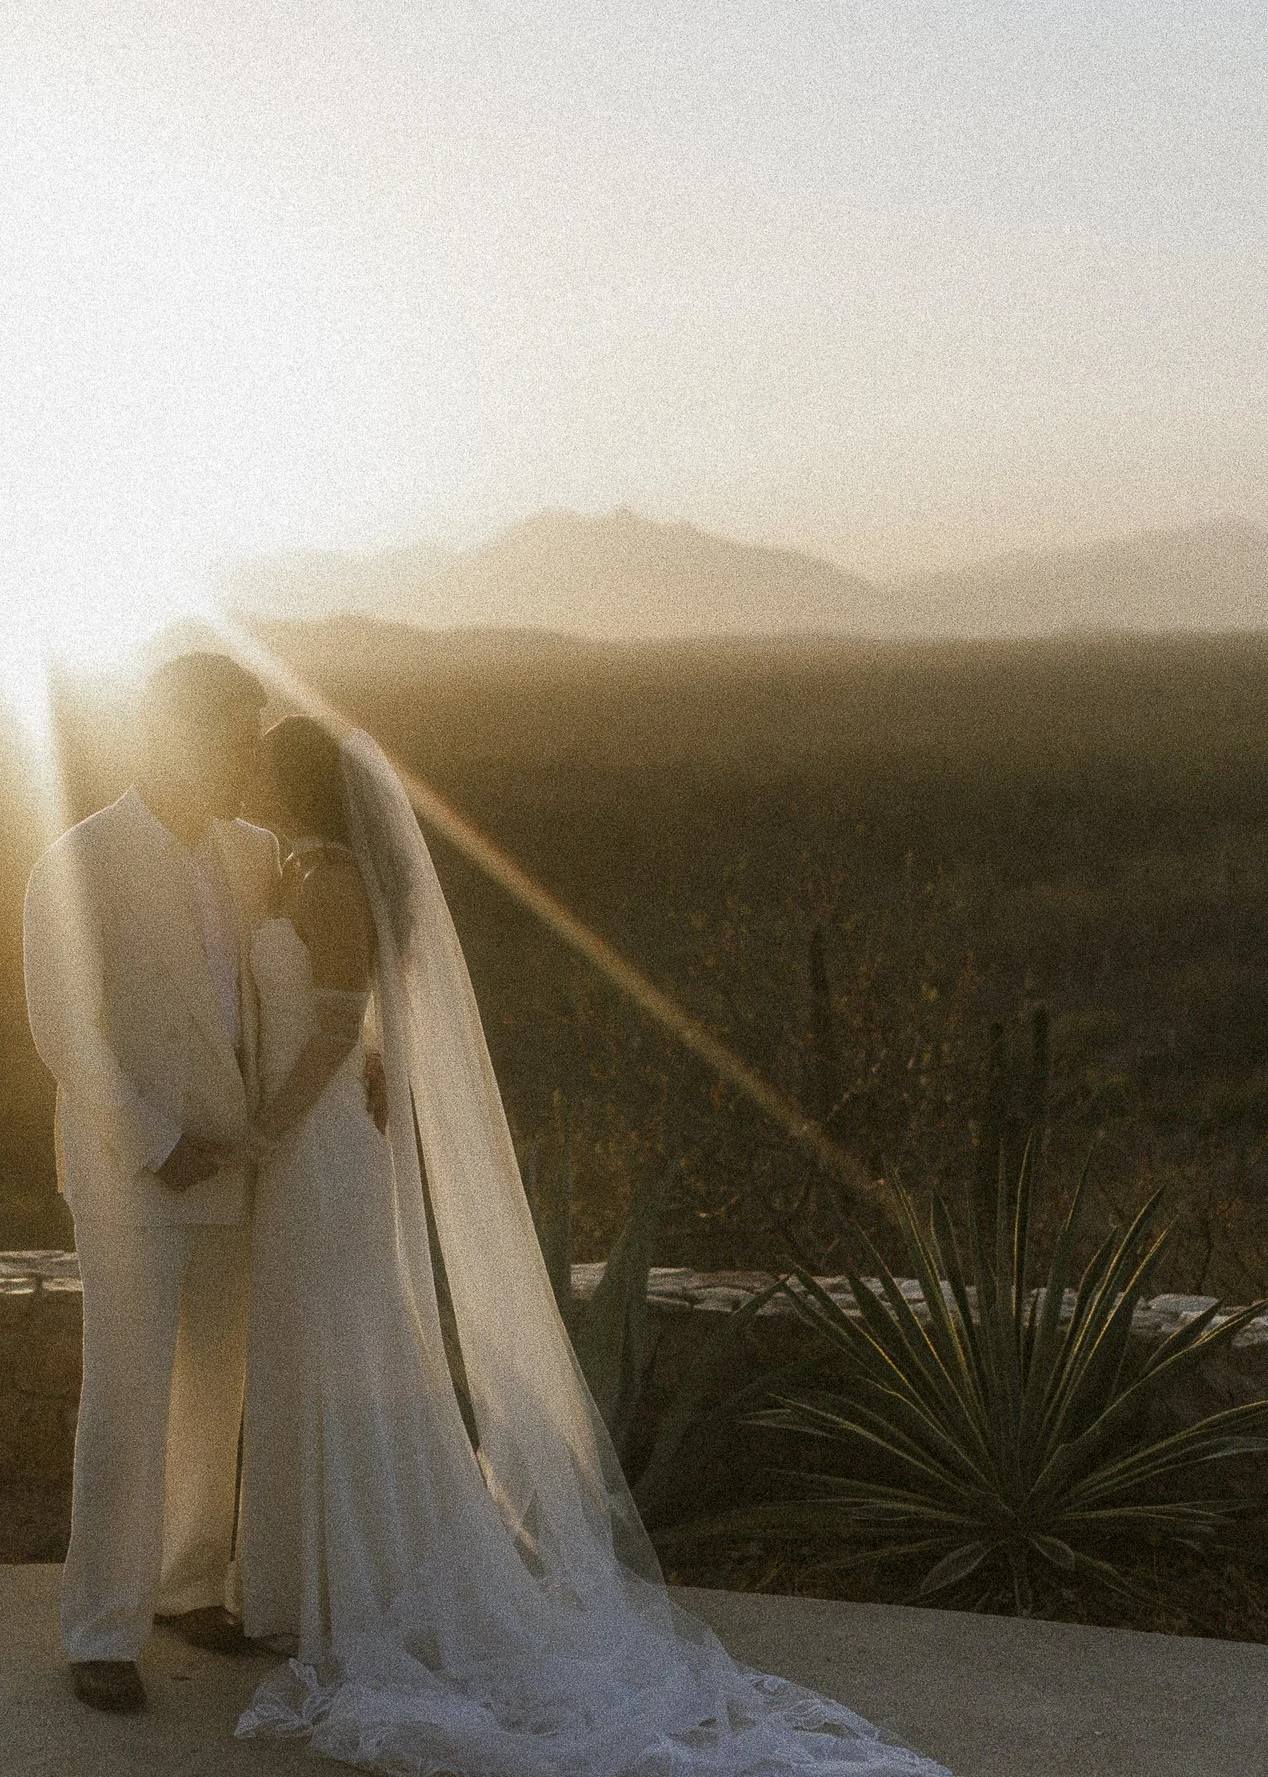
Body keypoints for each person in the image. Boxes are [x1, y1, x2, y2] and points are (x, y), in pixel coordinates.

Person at [229, 713, 951, 1777]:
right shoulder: (300, 866)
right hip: (316, 1134)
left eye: (258, 765)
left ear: (293, 786)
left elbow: (336, 1026)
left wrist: (259, 1132)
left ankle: (358, 1581)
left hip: (317, 1144)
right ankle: (306, 1579)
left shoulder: (333, 880)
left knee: (349, 1338)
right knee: (315, 1344)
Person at [20, 650, 282, 1714]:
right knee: (125, 1398)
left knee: (216, 1392)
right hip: (136, 1170)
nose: (251, 757)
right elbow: (64, 1030)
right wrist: (153, 1138)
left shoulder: (257, 851)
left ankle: (187, 1583)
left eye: (257, 736)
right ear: (171, 732)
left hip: (240, 1163)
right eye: (236, 735)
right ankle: (100, 1625)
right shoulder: (75, 860)